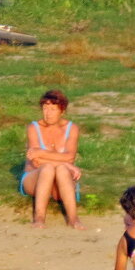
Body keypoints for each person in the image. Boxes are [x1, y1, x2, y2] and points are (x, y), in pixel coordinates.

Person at [19, 89, 83, 229]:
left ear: (62, 110)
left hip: (61, 179)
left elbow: (70, 157)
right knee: (48, 168)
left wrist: (42, 152)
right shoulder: (33, 127)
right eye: (45, 108)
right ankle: (39, 218)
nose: (48, 113)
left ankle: (73, 218)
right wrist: (67, 164)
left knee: (61, 169)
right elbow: (36, 161)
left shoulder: (71, 128)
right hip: (34, 177)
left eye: (53, 109)